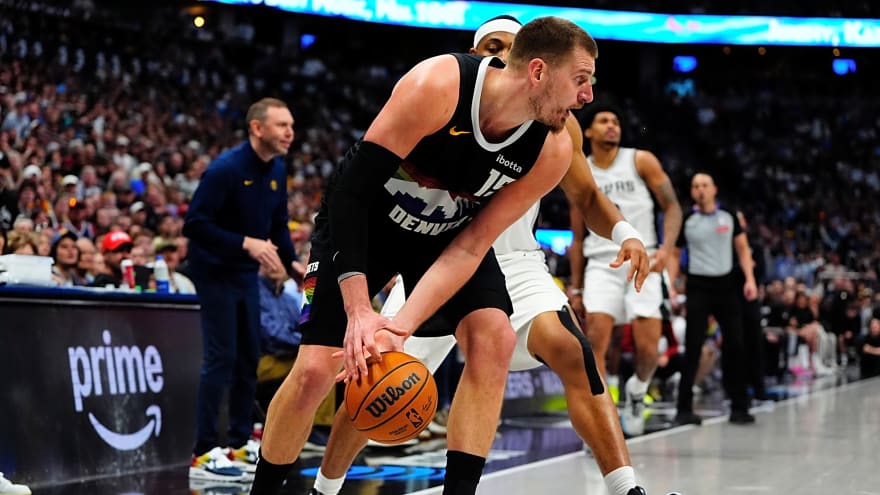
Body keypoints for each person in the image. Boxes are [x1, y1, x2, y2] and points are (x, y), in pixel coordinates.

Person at [251, 17, 631, 495]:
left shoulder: (550, 149)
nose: (587, 97)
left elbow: (473, 244)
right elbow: (351, 193)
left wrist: (400, 326)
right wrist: (359, 310)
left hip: (445, 237)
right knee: (313, 373)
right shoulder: (438, 83)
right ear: (538, 71)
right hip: (364, 224)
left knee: (493, 337)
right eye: (580, 80)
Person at [183, 97, 299, 481]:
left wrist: (293, 264)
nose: (290, 133)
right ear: (257, 128)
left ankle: (238, 441)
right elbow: (195, 224)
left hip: (246, 274)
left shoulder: (277, 169)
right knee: (221, 357)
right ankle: (203, 452)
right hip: (214, 272)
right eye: (282, 125)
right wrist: (245, 243)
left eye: (291, 126)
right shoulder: (225, 169)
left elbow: (278, 224)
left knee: (249, 356)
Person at [568, 103, 682, 436]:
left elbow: (673, 206)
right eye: (604, 120)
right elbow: (577, 236)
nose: (611, 126)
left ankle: (637, 390)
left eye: (616, 121)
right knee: (595, 342)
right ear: (588, 131)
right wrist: (576, 287)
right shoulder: (581, 169)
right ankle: (601, 422)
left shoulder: (640, 160)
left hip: (643, 259)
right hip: (601, 262)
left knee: (648, 348)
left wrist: (666, 249)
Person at [667, 172, 757, 425]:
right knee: (693, 346)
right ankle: (683, 409)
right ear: (692, 191)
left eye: (705, 185)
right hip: (698, 286)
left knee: (735, 344)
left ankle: (739, 406)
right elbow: (675, 254)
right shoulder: (687, 219)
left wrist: (750, 279)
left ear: (714, 189)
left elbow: (743, 248)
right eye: (696, 186)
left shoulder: (729, 216)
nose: (700, 189)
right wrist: (671, 285)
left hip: (727, 285)